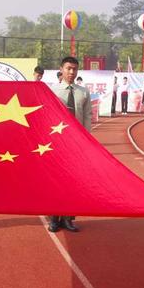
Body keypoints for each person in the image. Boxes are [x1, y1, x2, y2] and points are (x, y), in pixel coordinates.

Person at [49, 56, 91, 233]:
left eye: (74, 69)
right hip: (57, 143)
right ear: (61, 69)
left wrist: (88, 140)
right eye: (68, 68)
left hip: (77, 144)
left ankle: (68, 218)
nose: (71, 72)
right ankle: (53, 218)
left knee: (74, 181)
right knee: (55, 181)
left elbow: (87, 116)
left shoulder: (83, 92)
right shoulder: (51, 91)